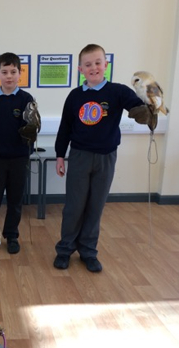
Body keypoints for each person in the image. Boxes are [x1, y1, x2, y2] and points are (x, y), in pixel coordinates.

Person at [53, 44, 145, 272]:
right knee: (74, 206)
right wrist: (59, 156)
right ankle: (65, 249)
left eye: (97, 63)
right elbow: (65, 127)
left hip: (106, 158)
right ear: (80, 69)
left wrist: (148, 109)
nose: (93, 67)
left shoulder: (118, 91)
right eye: (88, 64)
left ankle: (88, 251)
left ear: (105, 65)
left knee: (96, 206)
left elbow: (138, 109)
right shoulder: (75, 96)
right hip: (80, 156)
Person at [0, 52, 37, 254]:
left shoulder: (26, 99)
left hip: (19, 159)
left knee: (15, 200)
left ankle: (11, 235)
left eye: (13, 72)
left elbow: (32, 128)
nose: (9, 76)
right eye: (4, 72)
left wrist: (26, 150)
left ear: (20, 73)